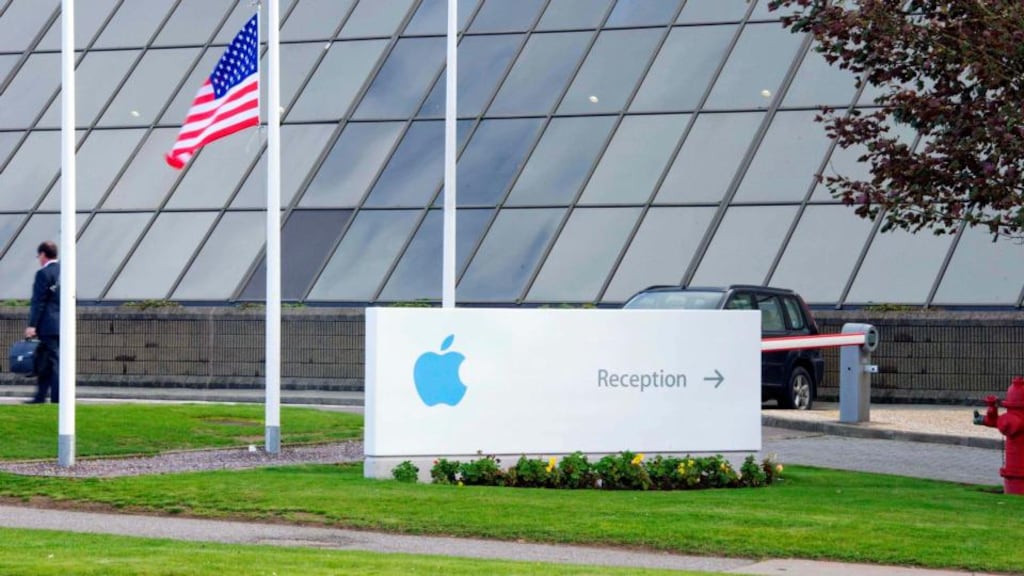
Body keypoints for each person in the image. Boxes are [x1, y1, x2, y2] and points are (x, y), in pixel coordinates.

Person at [25, 241, 60, 404]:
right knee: (48, 361)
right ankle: (40, 396)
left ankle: (56, 398)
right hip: (62, 324)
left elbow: (38, 301)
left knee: (51, 362)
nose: (39, 259)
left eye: (39, 256)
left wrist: (32, 325)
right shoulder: (65, 272)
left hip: (47, 325)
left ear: (43, 255)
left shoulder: (43, 274)